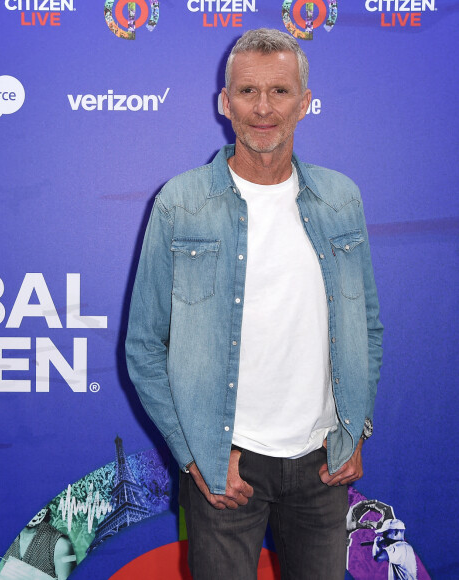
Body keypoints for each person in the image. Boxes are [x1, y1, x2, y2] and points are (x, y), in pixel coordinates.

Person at [125, 28, 383, 580]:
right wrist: (196, 456)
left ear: (305, 104)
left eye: (280, 92)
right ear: (225, 102)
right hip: (224, 470)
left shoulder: (341, 199)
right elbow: (145, 345)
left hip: (322, 468)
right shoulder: (181, 203)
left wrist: (354, 428)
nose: (263, 109)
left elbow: (367, 325)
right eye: (247, 91)